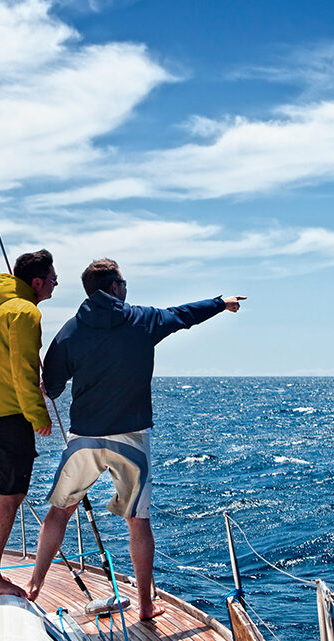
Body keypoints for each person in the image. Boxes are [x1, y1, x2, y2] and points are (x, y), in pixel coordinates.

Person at [26, 259, 243, 618]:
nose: (126, 289)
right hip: (130, 438)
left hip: (84, 438)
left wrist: (46, 383)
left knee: (59, 514)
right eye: (123, 283)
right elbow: (183, 314)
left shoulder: (69, 332)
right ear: (113, 287)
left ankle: (35, 585)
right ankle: (144, 605)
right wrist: (221, 302)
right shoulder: (142, 320)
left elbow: (52, 387)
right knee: (137, 522)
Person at [0, 249, 56, 598]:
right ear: (36, 282)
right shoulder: (25, 312)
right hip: (10, 416)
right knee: (11, 495)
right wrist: (38, 415)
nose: (54, 284)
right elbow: (23, 372)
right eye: (52, 279)